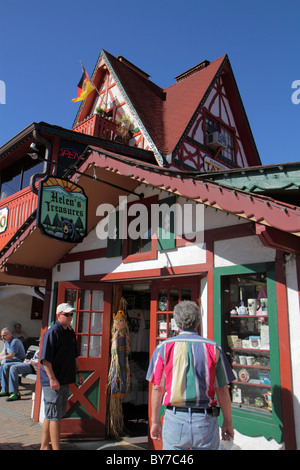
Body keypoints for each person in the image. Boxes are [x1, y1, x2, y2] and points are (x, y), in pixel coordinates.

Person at [146, 301, 235, 450]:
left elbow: (157, 389)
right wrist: (228, 422)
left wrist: (155, 421)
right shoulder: (213, 349)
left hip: (175, 419)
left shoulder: (163, 348)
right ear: (198, 321)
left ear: (177, 322)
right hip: (205, 420)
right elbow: (222, 389)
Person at [39, 303, 84, 450]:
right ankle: (56, 448)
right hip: (53, 379)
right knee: (55, 416)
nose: (70, 317)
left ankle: (45, 446)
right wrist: (52, 378)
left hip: (64, 378)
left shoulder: (70, 333)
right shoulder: (52, 332)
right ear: (59, 315)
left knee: (52, 414)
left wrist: (79, 372)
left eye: (71, 314)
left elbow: (74, 355)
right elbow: (45, 359)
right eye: (67, 315)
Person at [0, 328, 26, 392]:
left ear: (9, 335)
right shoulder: (6, 341)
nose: (2, 337)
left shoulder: (14, 341)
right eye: (1, 336)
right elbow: (3, 352)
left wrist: (1, 358)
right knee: (4, 364)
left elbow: (10, 356)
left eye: (4, 335)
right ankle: (4, 388)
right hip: (12, 360)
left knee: (4, 362)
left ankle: (2, 384)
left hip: (19, 360)